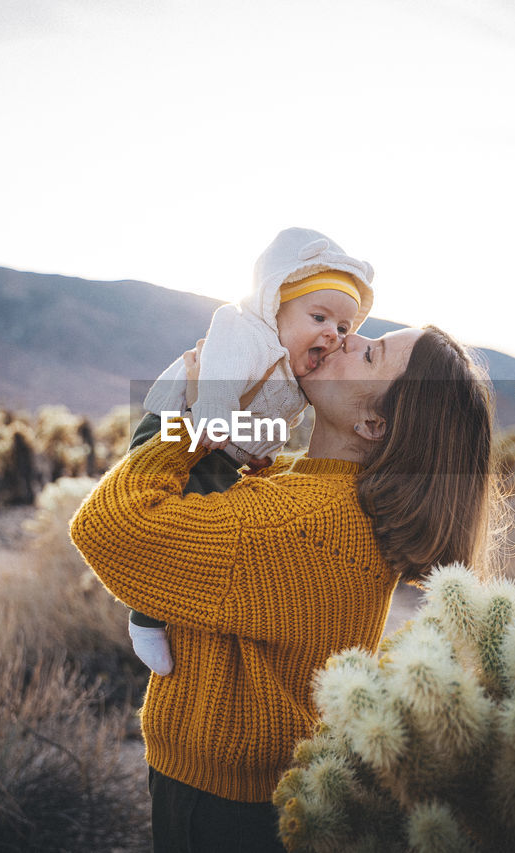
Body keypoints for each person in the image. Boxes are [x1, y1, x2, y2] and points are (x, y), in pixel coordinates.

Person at [70, 323, 498, 852]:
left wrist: (184, 423)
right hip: (260, 790)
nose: (346, 341)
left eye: (368, 356)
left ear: (372, 423)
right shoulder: (319, 490)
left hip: (223, 806)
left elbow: (111, 527)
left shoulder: (301, 521)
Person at [125, 227, 375, 677]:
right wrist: (214, 410)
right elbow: (219, 370)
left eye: (343, 327)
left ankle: (171, 607)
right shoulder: (245, 332)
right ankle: (145, 616)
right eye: (319, 317)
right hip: (176, 427)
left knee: (207, 526)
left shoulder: (296, 371)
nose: (334, 335)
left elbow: (274, 418)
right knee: (180, 522)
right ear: (275, 305)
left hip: (219, 446)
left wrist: (259, 452)